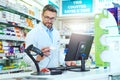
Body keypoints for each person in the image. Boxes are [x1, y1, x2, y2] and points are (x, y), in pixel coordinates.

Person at [25, 4, 76, 69]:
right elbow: (25, 57)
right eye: (47, 17)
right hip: (41, 71)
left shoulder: (56, 33)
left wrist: (65, 61)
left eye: (52, 18)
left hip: (55, 70)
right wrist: (37, 58)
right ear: (42, 16)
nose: (49, 21)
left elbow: (58, 52)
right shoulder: (33, 33)